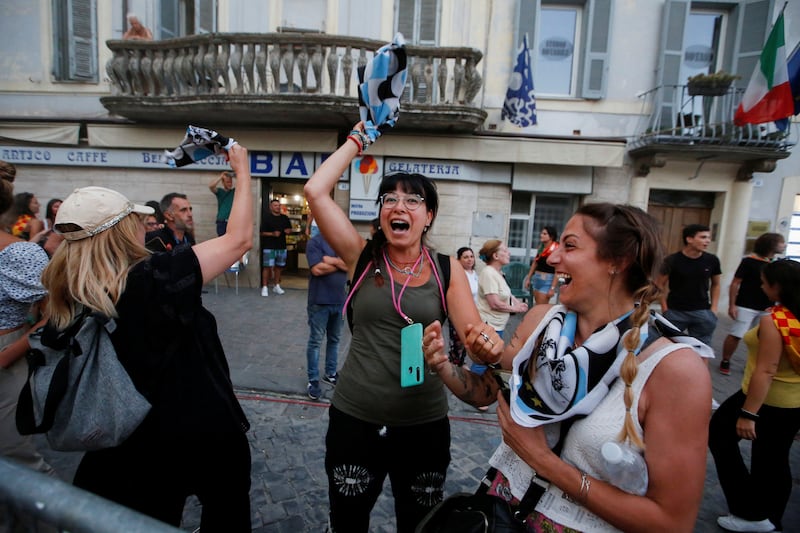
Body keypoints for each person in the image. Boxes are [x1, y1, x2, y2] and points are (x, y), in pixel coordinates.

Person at [426, 203, 712, 531]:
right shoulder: (539, 321)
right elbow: (486, 394)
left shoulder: (673, 369)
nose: (552, 257)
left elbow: (672, 523)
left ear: (619, 262)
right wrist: (444, 364)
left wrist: (544, 462)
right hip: (497, 516)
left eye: (570, 245)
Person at [41, 143, 253, 531]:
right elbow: (238, 241)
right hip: (200, 431)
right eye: (137, 219)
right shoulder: (153, 279)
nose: (145, 223)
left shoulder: (68, 290)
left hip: (129, 441)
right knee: (227, 514)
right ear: (123, 230)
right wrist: (242, 171)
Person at [303, 122, 503, 532]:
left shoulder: (446, 269)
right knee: (347, 522)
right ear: (379, 213)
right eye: (389, 199)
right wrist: (358, 139)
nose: (400, 207)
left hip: (423, 425)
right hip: (355, 420)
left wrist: (489, 344)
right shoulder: (361, 257)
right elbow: (315, 192)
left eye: (413, 200)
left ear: (428, 216)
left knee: (419, 524)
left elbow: (472, 334)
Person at [709, 259, 800, 533]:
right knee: (774, 458)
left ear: (778, 287)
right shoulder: (791, 315)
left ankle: (751, 512)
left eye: (765, 282)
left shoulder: (775, 321)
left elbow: (766, 370)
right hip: (792, 402)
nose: (761, 286)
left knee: (722, 436)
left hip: (764, 400)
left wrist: (749, 414)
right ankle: (769, 517)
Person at [0, 177, 55, 478]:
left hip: (7, 356)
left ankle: (59, 519)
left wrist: (8, 356)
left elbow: (59, 312)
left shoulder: (20, 253)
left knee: (15, 458)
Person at [719, 232, 786, 375]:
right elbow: (735, 282)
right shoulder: (749, 261)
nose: (784, 245)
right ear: (771, 244)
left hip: (767, 306)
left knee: (761, 338)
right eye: (781, 242)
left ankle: (752, 364)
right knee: (737, 334)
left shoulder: (774, 263)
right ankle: (725, 360)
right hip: (746, 304)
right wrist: (732, 304)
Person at [657, 223, 721, 347]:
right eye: (703, 237)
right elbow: (659, 285)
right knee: (667, 346)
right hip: (675, 312)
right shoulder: (671, 260)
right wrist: (665, 309)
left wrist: (714, 309)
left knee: (702, 349)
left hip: (702, 311)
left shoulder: (712, 260)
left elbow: (716, 284)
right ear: (689, 239)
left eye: (708, 237)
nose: (707, 241)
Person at [304, 232, 347, 400]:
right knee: (316, 341)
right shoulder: (314, 243)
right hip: (319, 302)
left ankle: (330, 373)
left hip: (340, 301)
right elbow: (317, 269)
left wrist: (331, 261)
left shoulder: (341, 242)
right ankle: (313, 380)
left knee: (335, 340)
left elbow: (351, 264)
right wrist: (340, 263)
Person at [476, 239, 528, 339]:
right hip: (490, 326)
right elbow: (494, 303)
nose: (509, 253)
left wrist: (517, 303)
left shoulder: (499, 273)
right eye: (504, 251)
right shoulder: (489, 273)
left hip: (498, 325)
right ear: (495, 256)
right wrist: (515, 308)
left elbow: (507, 293)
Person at [260, 198, 291, 296]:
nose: (277, 207)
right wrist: (272, 234)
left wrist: (288, 231)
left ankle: (276, 286)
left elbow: (289, 229)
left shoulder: (284, 218)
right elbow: (261, 233)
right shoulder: (266, 218)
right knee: (267, 267)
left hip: (281, 246)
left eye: (278, 205)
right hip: (269, 246)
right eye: (275, 205)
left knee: (279, 267)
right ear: (271, 207)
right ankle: (264, 287)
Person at [523, 226, 559, 305]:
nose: (541, 235)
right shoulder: (541, 247)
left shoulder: (556, 249)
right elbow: (535, 262)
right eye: (541, 233)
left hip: (547, 280)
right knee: (537, 304)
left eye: (544, 234)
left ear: (551, 236)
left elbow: (558, 270)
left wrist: (552, 288)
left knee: (541, 306)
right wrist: (528, 278)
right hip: (537, 278)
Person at [209, 171, 235, 236]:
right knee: (221, 240)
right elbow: (211, 186)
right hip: (222, 221)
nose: (230, 184)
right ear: (223, 183)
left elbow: (243, 185)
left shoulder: (234, 191)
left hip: (232, 221)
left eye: (231, 182)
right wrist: (221, 176)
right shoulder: (220, 191)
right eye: (228, 182)